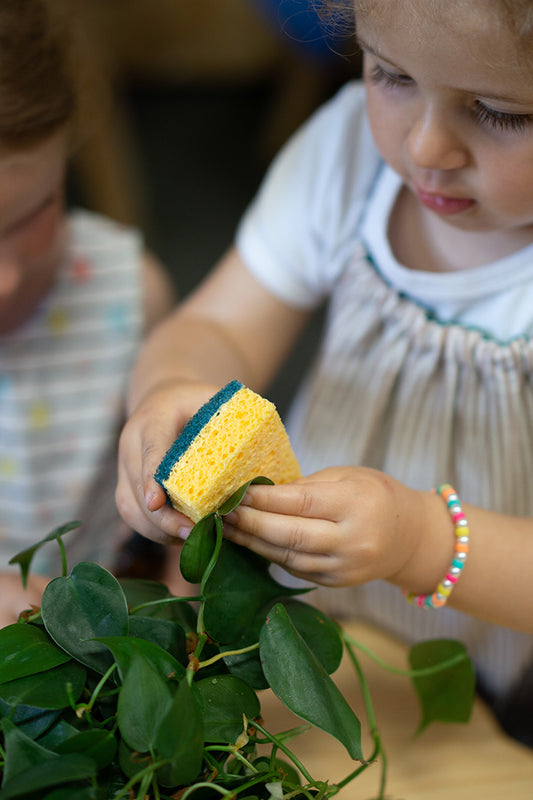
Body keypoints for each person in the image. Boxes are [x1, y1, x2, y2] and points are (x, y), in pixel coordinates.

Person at [116, 0, 533, 743]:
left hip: (475, 666)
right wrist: (171, 392)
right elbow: (217, 325)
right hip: (289, 625)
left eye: (499, 113)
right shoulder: (347, 154)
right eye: (390, 74)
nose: (426, 146)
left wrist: (420, 542)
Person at [0, 0, 176, 626]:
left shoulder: (129, 293)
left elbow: (174, 514)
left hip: (97, 654)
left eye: (34, 211)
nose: (8, 276)